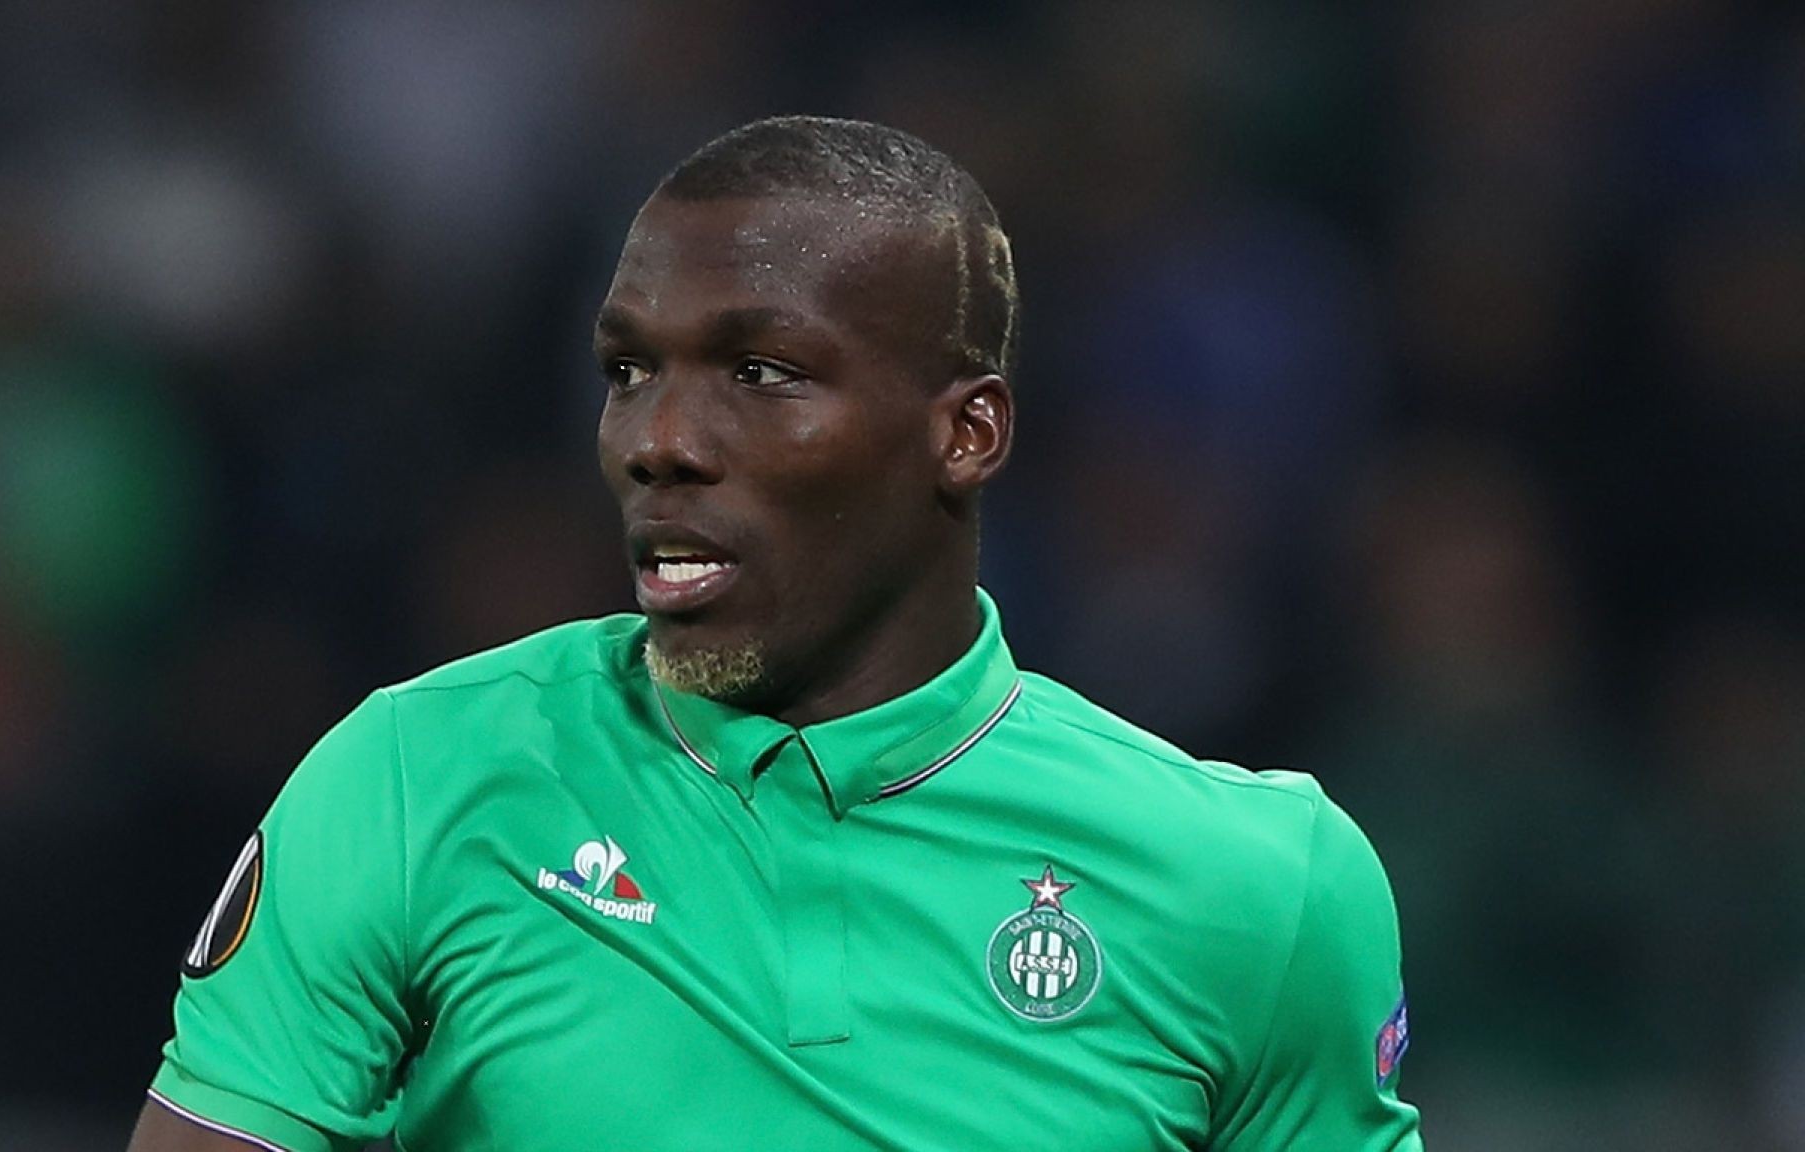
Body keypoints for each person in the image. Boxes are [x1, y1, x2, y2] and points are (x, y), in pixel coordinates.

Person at [126, 116, 1423, 1152]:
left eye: (760, 373)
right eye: (630, 370)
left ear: (963, 434)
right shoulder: (415, 781)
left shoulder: (1259, 886)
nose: (658, 442)